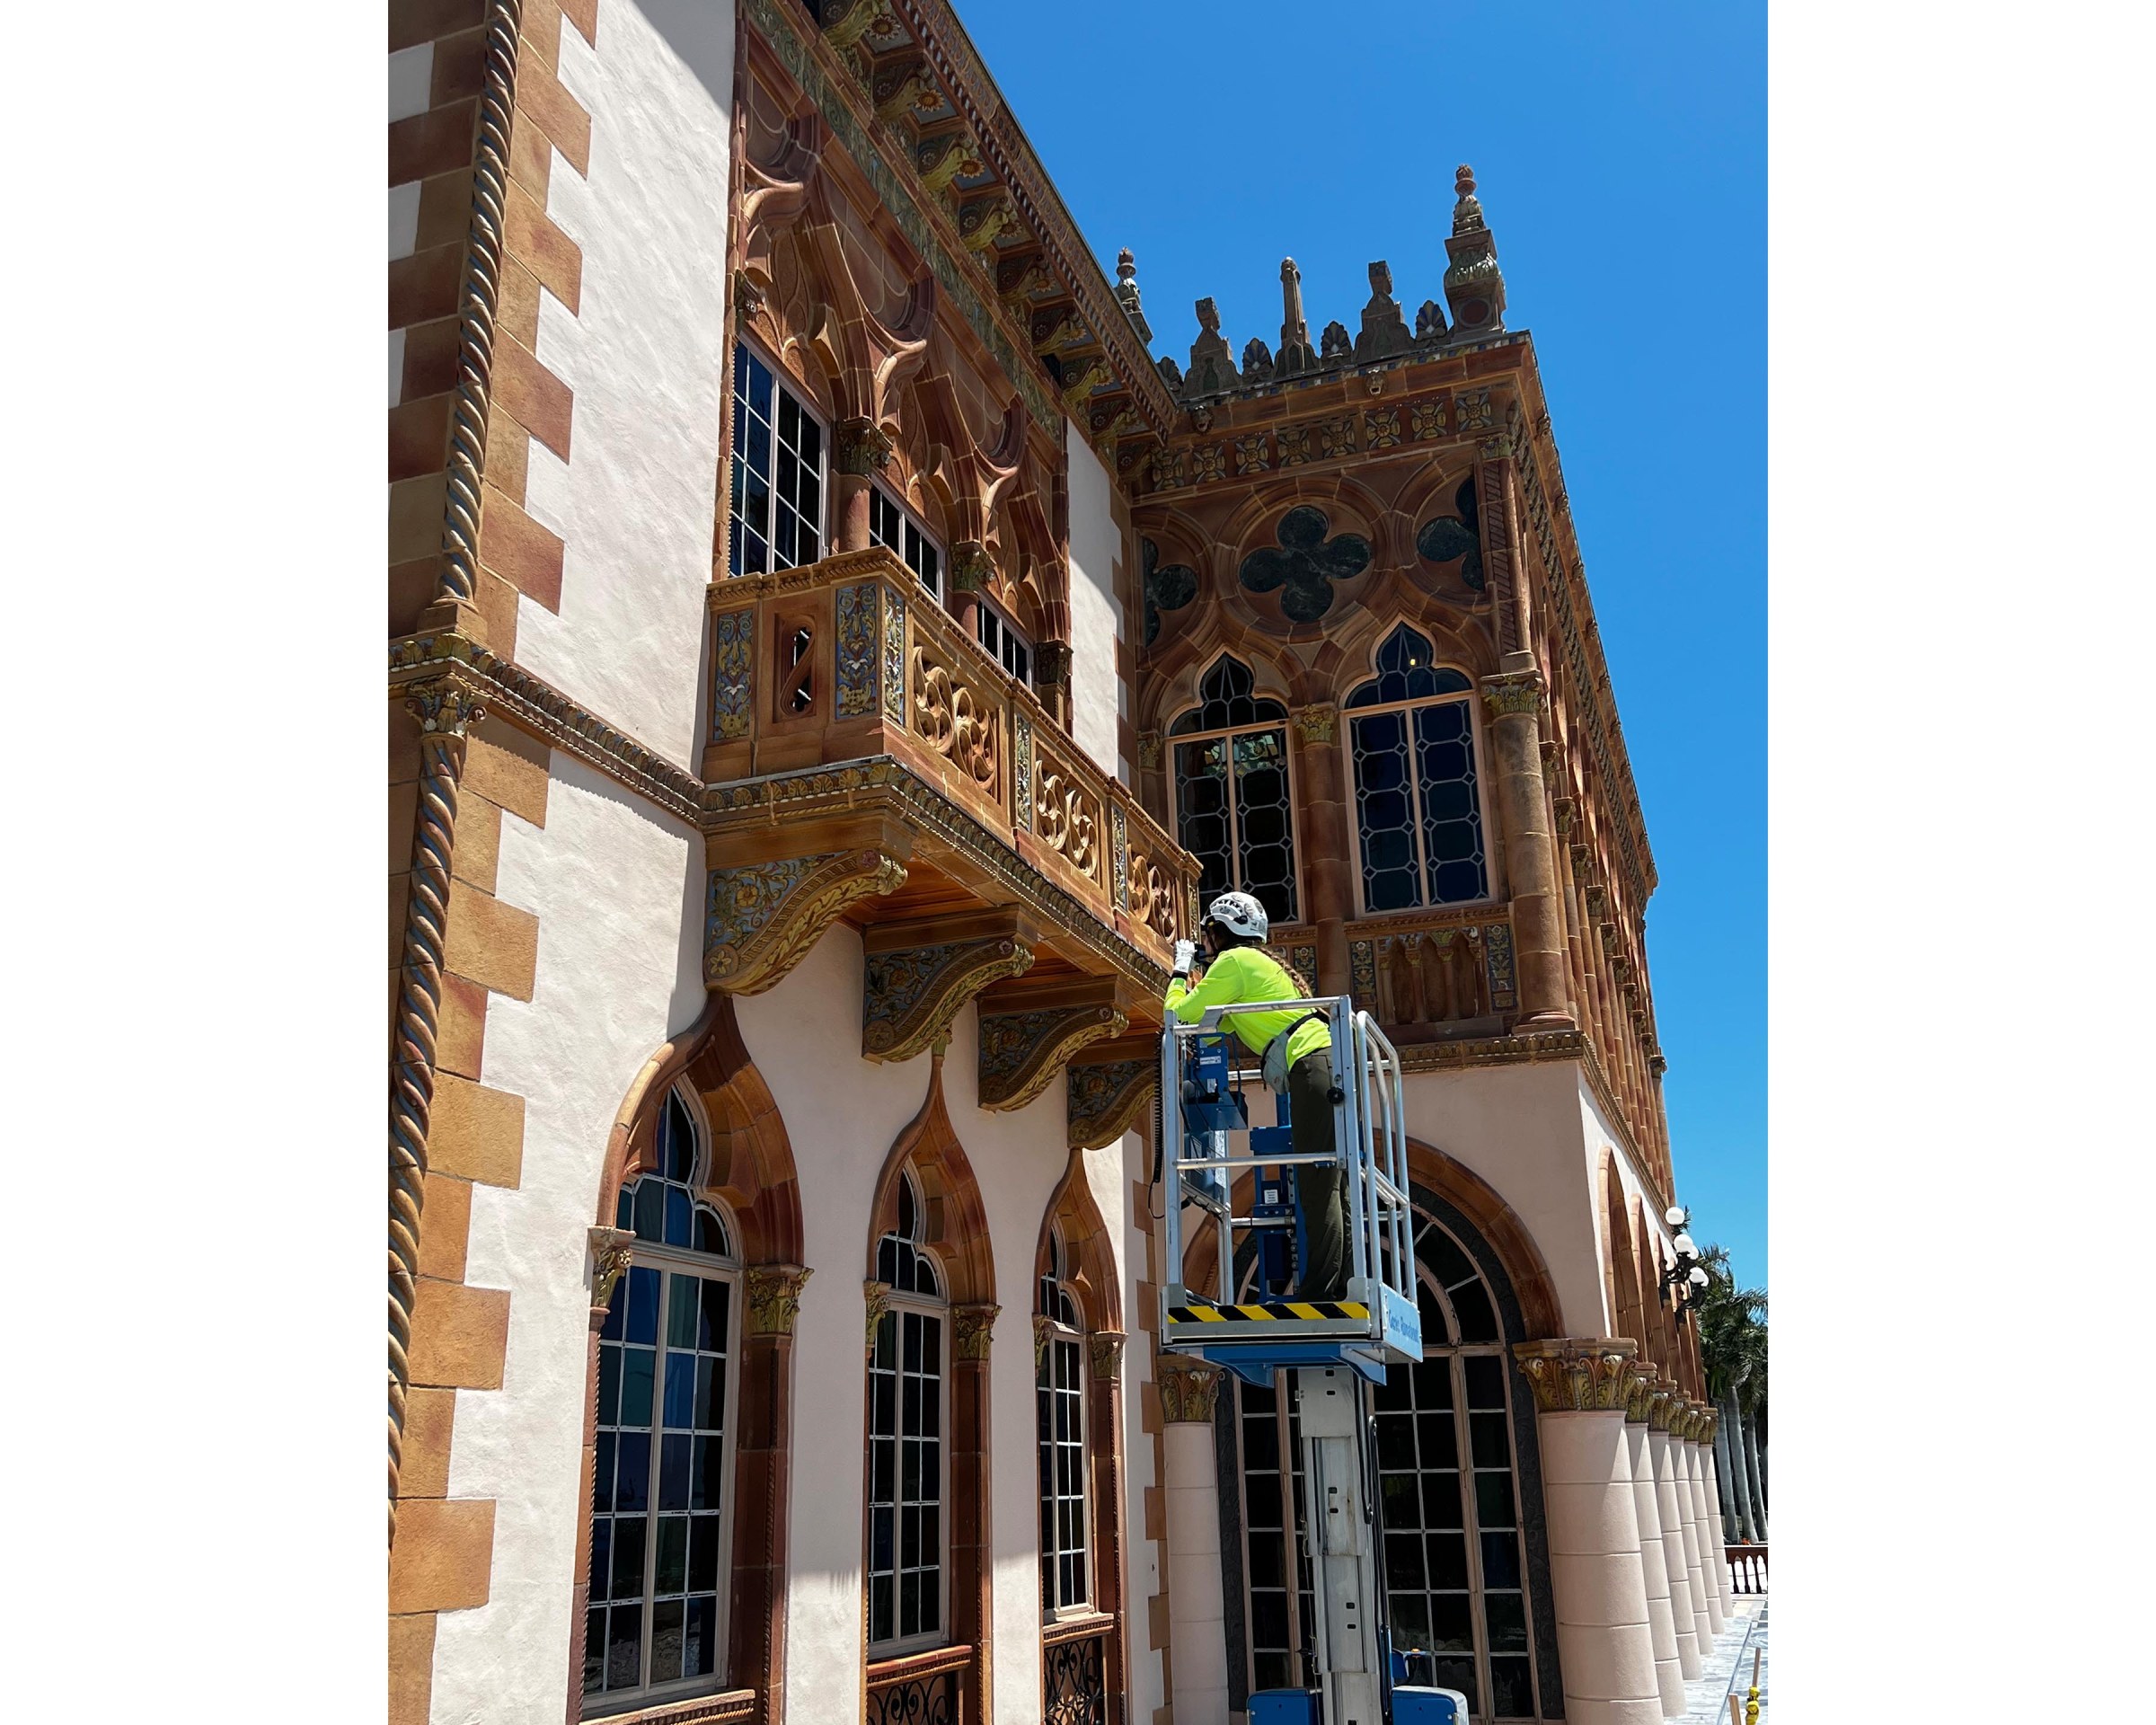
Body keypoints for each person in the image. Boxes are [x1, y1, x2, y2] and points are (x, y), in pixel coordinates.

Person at [1165, 890, 1348, 1301]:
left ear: (1219, 932)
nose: (1205, 946)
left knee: (1317, 1181)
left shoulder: (1233, 962)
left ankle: (1320, 1293)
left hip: (1311, 1066)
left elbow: (1179, 1015)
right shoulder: (1252, 965)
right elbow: (1217, 1023)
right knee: (1333, 1182)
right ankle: (1345, 1282)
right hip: (1328, 1062)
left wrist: (1179, 972)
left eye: (1208, 936)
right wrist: (1202, 982)